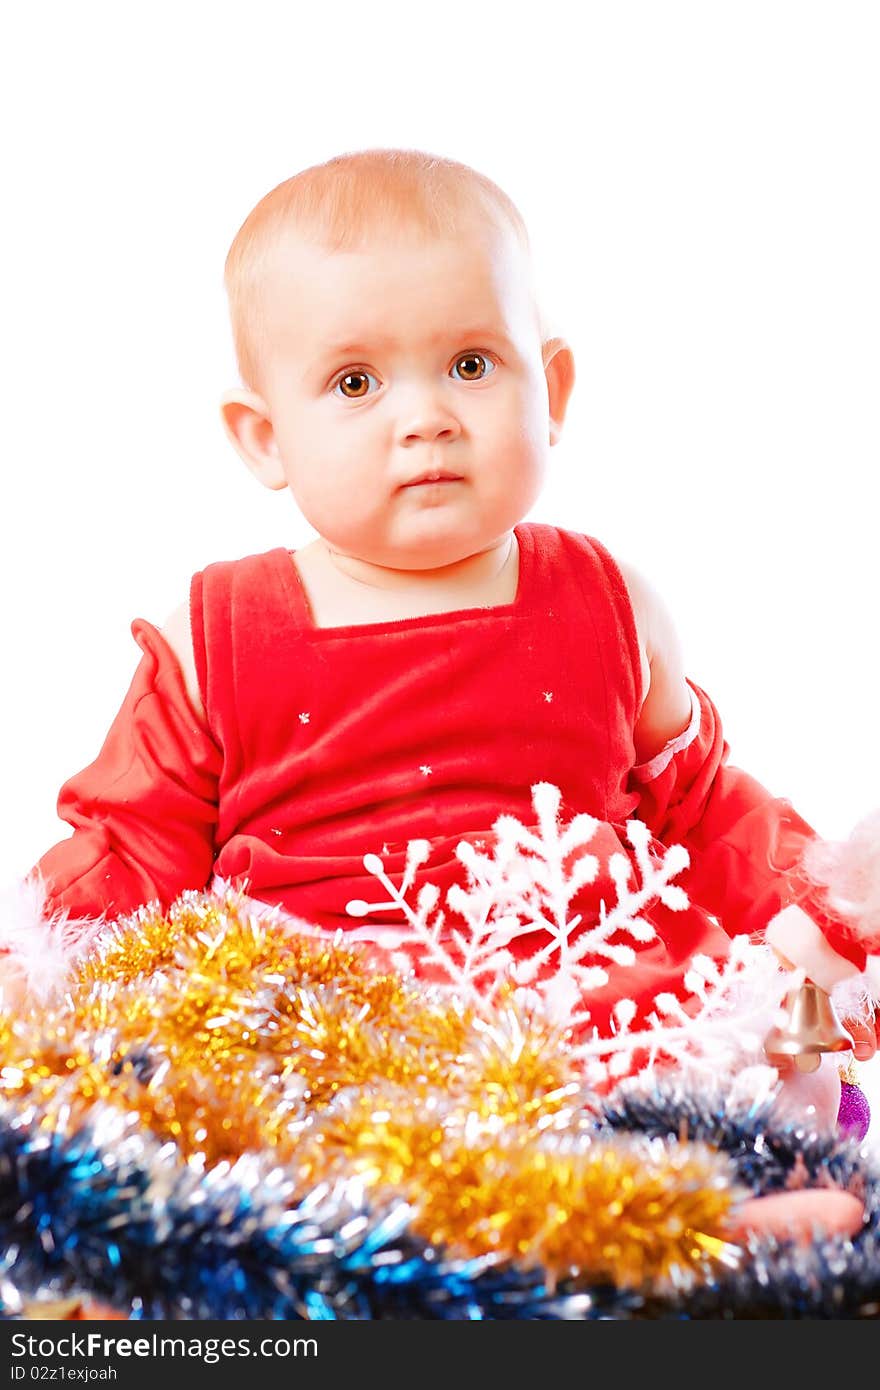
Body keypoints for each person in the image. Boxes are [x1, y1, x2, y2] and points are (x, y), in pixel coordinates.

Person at [3, 151, 875, 1237]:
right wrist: (24, 976)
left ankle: (681, 1212)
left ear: (549, 391)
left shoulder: (606, 601)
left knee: (710, 1064)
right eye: (356, 383)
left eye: (469, 364)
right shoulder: (216, 637)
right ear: (264, 437)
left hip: (582, 1002)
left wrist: (828, 899)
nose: (424, 418)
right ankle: (604, 1236)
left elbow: (695, 805)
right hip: (335, 1028)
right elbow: (130, 854)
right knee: (241, 1130)